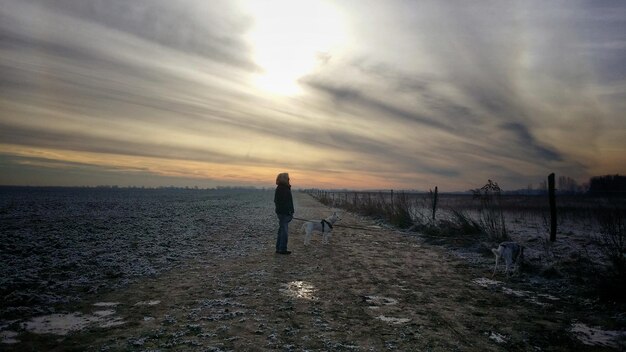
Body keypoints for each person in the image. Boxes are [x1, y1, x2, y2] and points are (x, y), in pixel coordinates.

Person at [274, 172, 294, 254]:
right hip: (284, 214)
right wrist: (288, 211)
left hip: (283, 213)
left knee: (282, 230)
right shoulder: (283, 189)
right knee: (284, 231)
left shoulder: (282, 188)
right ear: (284, 179)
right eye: (288, 178)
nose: (289, 179)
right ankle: (282, 249)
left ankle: (279, 248)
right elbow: (282, 203)